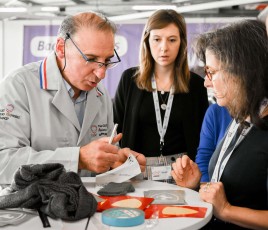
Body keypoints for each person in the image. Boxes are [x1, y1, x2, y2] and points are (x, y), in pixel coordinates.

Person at [0, 12, 146, 184]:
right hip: (32, 207)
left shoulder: (100, 93)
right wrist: (77, 159)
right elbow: (5, 162)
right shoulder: (19, 85)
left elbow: (101, 157)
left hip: (87, 205)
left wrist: (115, 161)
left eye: (107, 60)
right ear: (61, 48)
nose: (102, 73)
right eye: (91, 59)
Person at [172, 19, 268, 229]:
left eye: (211, 72)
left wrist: (226, 210)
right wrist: (197, 185)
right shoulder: (240, 119)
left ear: (242, 72)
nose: (206, 82)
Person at [113, 9, 208, 182]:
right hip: (136, 173)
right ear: (147, 41)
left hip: (182, 175)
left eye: (172, 40)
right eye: (157, 39)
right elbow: (115, 128)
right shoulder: (129, 80)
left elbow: (202, 139)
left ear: (182, 43)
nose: (164, 47)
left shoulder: (196, 84)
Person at [196, 103, 231, 182]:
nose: (208, 89)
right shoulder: (215, 110)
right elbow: (204, 157)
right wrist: (207, 187)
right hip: (213, 188)